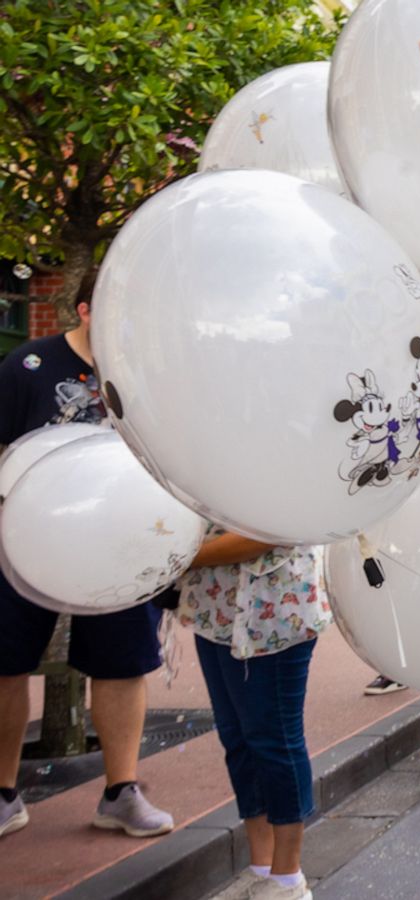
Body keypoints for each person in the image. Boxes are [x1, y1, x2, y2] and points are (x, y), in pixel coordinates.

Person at [0, 290, 174, 840]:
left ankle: (121, 792)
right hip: (27, 541)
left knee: (122, 665)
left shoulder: (150, 371)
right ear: (83, 309)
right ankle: (5, 792)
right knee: (5, 663)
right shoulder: (28, 366)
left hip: (120, 545)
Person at [177, 530, 330, 900]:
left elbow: (269, 533)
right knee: (239, 739)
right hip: (215, 607)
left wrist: (182, 554)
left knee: (274, 739)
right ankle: (262, 868)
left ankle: (288, 878)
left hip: (274, 611)